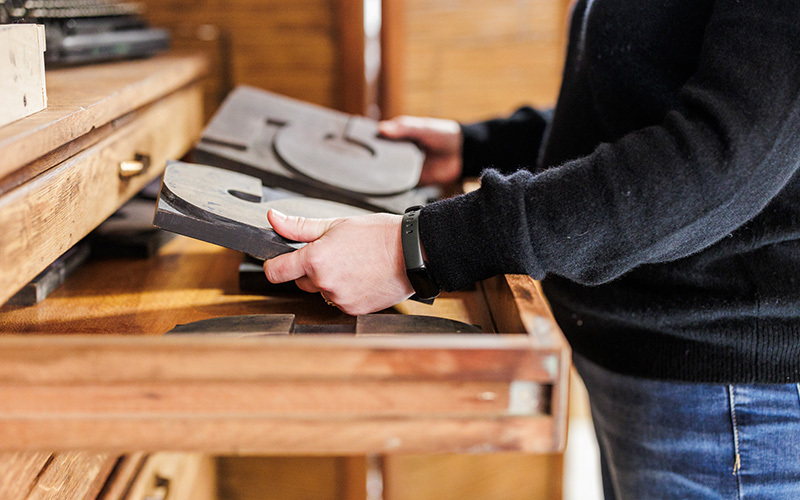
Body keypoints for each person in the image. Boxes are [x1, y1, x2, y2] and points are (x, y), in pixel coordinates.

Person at [264, 1, 800, 498]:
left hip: (734, 400)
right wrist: (481, 145)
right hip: (657, 367)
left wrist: (421, 246)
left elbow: (712, 162)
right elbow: (646, 100)